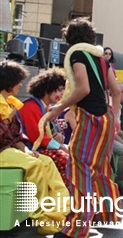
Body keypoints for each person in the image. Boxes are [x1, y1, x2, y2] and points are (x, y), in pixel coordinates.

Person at [45, 17, 122, 237]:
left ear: (69, 38)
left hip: (89, 118)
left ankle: (77, 226)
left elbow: (83, 88)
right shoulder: (102, 59)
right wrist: (115, 117)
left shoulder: (77, 55)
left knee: (79, 168)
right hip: (107, 118)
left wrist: (59, 107)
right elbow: (116, 92)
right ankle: (106, 214)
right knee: (100, 168)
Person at [0, 61, 69, 236]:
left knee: (45, 161)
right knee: (37, 165)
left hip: (11, 149)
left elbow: (16, 136)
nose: (21, 85)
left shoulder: (11, 104)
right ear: (9, 82)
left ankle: (57, 212)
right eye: (18, 81)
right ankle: (39, 217)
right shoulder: (25, 106)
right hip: (2, 151)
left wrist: (27, 151)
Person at [17, 69, 69, 185]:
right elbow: (36, 136)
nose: (62, 94)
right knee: (67, 160)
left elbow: (48, 133)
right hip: (32, 150)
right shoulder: (30, 107)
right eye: (59, 90)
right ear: (47, 89)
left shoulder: (46, 107)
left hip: (40, 149)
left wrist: (58, 136)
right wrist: (59, 146)